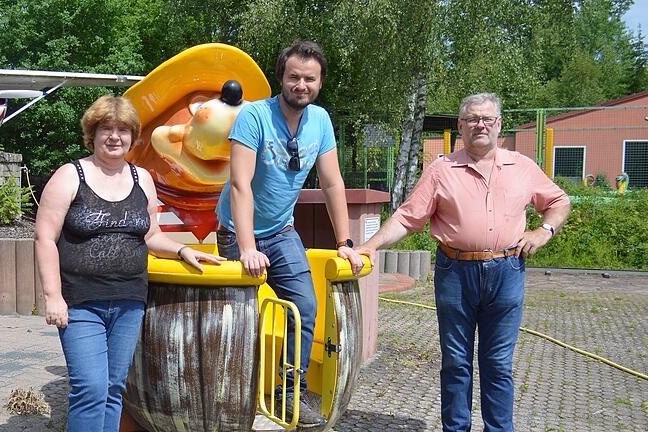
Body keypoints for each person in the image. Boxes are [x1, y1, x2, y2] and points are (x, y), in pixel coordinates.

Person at [357, 93, 570, 431]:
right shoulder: (442, 169)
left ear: (499, 125)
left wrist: (543, 231)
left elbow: (559, 201)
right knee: (456, 362)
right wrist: (370, 245)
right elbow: (408, 218)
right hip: (455, 273)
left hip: (507, 271)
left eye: (487, 118)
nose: (479, 124)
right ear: (461, 126)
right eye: (472, 119)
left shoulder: (523, 167)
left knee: (498, 363)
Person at [35, 95, 223, 432]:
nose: (114, 136)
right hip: (80, 303)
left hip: (129, 301)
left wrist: (182, 251)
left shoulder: (142, 179)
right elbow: (45, 238)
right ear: (92, 134)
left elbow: (150, 235)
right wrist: (53, 296)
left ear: (133, 137)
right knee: (89, 389)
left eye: (123, 130)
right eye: (106, 128)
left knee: (113, 389)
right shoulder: (70, 175)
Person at [215, 40, 365, 428]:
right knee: (242, 316)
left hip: (282, 231)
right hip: (237, 231)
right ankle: (234, 392)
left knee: (304, 307)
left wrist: (344, 243)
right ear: (280, 77)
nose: (301, 84)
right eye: (294, 76)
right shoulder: (253, 117)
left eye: (309, 79)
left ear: (319, 83)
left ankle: (289, 392)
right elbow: (240, 185)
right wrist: (246, 246)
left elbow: (333, 184)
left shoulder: (321, 121)